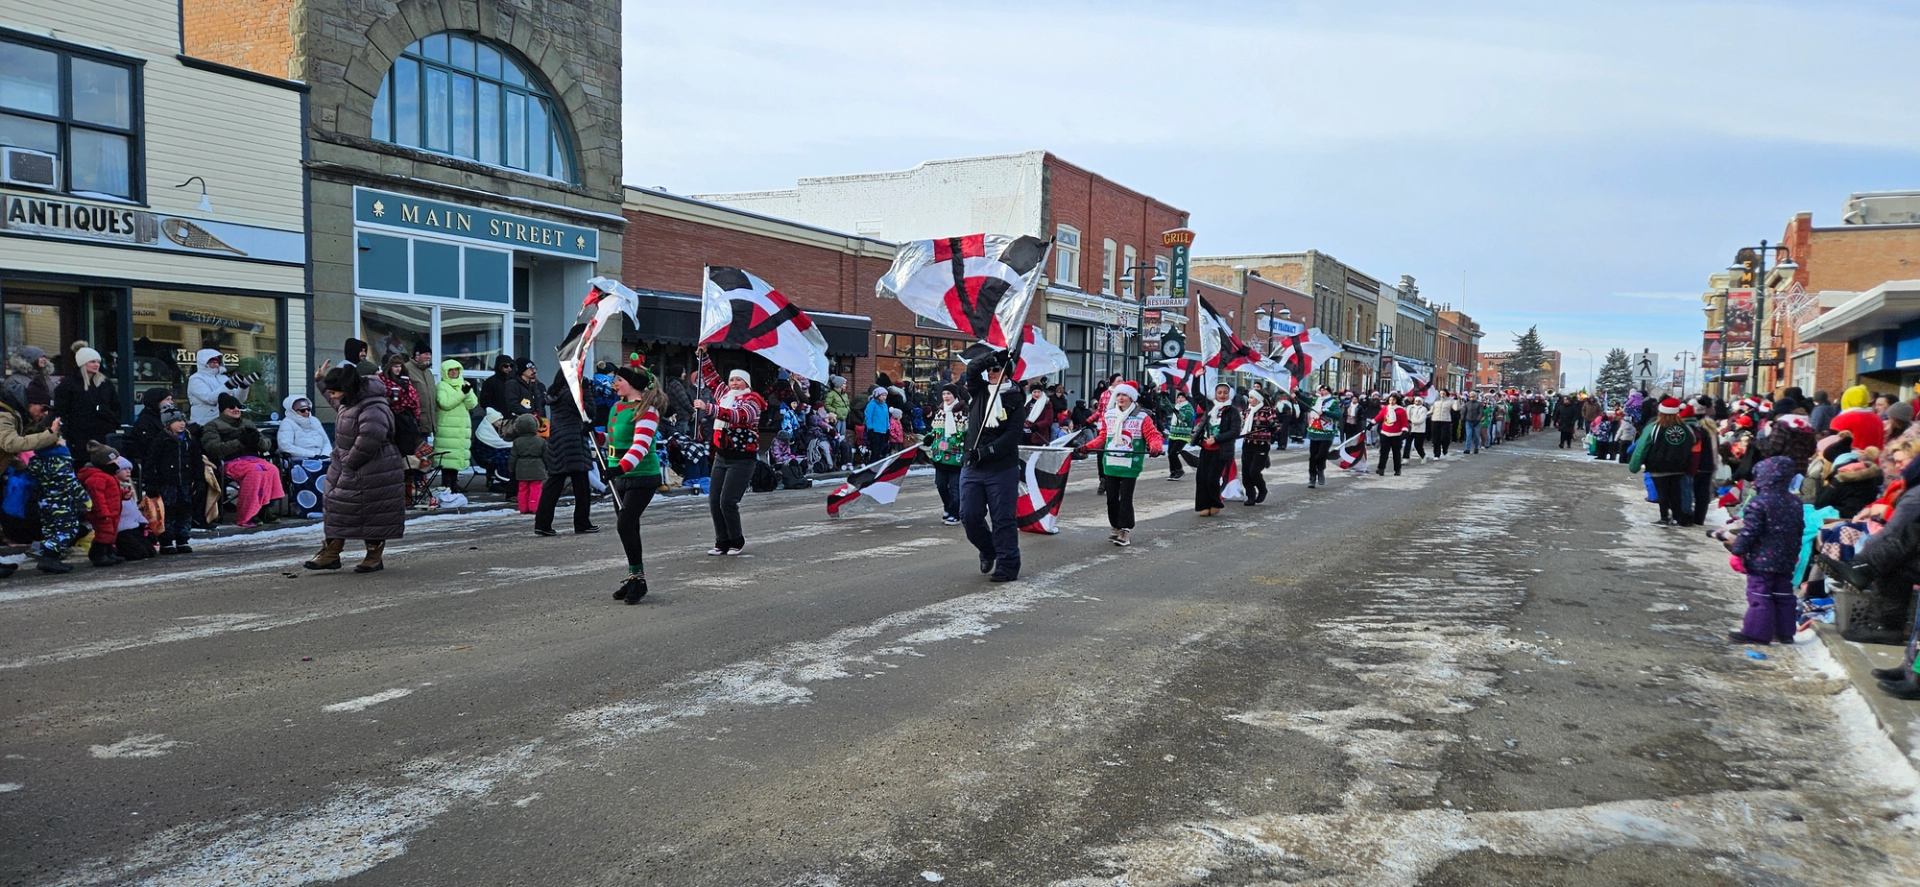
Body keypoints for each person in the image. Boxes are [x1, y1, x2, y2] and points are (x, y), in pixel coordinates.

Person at [305, 365, 405, 572]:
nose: (332, 396)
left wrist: (349, 463)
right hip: (348, 464)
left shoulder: (373, 407)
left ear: (347, 388)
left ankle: (373, 556)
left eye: (335, 391)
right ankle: (331, 552)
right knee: (336, 508)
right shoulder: (349, 400)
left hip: (375, 467)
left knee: (372, 512)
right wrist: (320, 381)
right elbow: (334, 400)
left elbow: (370, 439)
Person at [1723, 455, 1806, 645]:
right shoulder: (1795, 503)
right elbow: (1798, 529)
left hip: (1762, 558)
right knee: (1783, 594)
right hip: (1786, 557)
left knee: (1760, 594)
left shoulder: (1759, 503)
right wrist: (1794, 553)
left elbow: (1750, 531)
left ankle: (1757, 633)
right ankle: (1784, 632)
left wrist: (1738, 549)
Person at [959, 350, 1025, 580]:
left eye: (996, 369)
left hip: (1001, 469)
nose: (991, 373)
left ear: (1007, 372)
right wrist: (993, 356)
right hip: (973, 467)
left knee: (1003, 519)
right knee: (969, 516)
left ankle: (1008, 566)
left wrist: (986, 452)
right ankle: (988, 549)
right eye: (990, 370)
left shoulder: (1016, 398)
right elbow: (972, 369)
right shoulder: (979, 391)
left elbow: (1012, 436)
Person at [694, 346, 764, 556]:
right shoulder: (725, 394)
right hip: (722, 455)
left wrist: (709, 408)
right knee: (714, 501)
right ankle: (721, 541)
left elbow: (740, 416)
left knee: (728, 501)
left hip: (742, 458)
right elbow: (712, 378)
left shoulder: (753, 400)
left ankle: (736, 540)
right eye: (732, 379)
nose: (734, 383)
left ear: (747, 383)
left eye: (739, 380)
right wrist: (703, 356)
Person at [606, 362, 666, 603]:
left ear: (633, 384)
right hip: (618, 475)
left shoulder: (648, 410)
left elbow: (639, 446)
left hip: (641, 476)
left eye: (619, 380)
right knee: (627, 528)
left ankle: (638, 579)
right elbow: (614, 438)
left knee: (625, 523)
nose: (614, 384)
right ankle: (634, 578)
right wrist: (593, 431)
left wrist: (621, 467)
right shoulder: (617, 407)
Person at [1079, 380, 1164, 547]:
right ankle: (1116, 526)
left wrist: (1155, 447)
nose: (1121, 397)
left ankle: (1125, 529)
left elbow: (1153, 435)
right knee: (1111, 499)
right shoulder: (1109, 415)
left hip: (1130, 465)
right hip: (1110, 463)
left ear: (1132, 398)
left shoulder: (1142, 417)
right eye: (1118, 394)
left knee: (1125, 498)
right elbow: (1103, 437)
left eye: (1124, 394)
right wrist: (1087, 447)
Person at [535, 369, 602, 537]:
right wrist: (586, 390)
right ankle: (582, 522)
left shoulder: (555, 391)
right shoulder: (573, 393)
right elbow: (589, 411)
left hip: (558, 440)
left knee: (554, 483)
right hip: (574, 440)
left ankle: (542, 523)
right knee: (581, 487)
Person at [141, 406, 200, 555]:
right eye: (177, 421)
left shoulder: (189, 440)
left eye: (183, 420)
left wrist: (198, 478)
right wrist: (151, 483)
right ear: (167, 424)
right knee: (166, 511)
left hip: (185, 481)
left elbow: (197, 461)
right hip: (166, 483)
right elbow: (151, 463)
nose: (181, 423)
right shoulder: (161, 440)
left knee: (185, 509)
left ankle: (183, 538)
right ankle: (166, 540)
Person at [1629, 397, 1694, 526]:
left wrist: (1634, 465)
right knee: (1675, 492)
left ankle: (1664, 517)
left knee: (1662, 492)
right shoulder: (1686, 429)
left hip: (1657, 467)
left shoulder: (1654, 427)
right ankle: (1676, 516)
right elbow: (1692, 445)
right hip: (1678, 468)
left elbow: (1642, 447)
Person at [54, 342, 118, 449]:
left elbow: (115, 407)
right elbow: (61, 411)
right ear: (82, 363)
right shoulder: (68, 384)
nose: (96, 364)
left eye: (98, 362)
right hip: (78, 437)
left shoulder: (105, 383)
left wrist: (111, 421)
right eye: (92, 361)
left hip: (103, 435)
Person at [224, 426, 284, 528]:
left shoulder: (248, 424)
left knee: (272, 469)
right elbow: (212, 447)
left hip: (253, 459)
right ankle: (249, 513)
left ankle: (265, 508)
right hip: (232, 461)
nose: (236, 409)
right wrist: (239, 442)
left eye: (239, 408)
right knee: (255, 472)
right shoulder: (214, 425)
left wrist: (258, 441)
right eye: (231, 408)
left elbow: (266, 446)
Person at [1194, 383, 1241, 516]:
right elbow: (1196, 395)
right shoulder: (1210, 407)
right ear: (1215, 394)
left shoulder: (1233, 411)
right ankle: (1203, 505)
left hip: (1221, 450)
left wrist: (1217, 438)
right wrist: (1197, 377)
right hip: (1206, 448)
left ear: (1229, 394)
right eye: (1219, 392)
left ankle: (1215, 503)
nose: (1222, 395)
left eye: (1225, 392)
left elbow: (1235, 431)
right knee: (1201, 478)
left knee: (1212, 479)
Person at [433, 360, 480, 491]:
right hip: (447, 427)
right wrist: (462, 393)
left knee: (457, 456)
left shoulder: (462, 384)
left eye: (456, 370)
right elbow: (445, 403)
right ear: (445, 372)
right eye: (451, 370)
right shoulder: (442, 386)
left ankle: (454, 483)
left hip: (461, 426)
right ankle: (447, 484)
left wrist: (468, 392)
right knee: (448, 457)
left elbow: (472, 404)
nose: (454, 372)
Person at [77, 442, 125, 567]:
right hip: (103, 513)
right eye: (113, 461)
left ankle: (108, 552)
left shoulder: (108, 475)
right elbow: (97, 498)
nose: (116, 463)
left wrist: (123, 494)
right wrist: (103, 512)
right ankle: (99, 554)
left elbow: (113, 492)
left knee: (110, 533)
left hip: (112, 511)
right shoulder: (97, 477)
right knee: (104, 533)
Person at [926, 383, 967, 525]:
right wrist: (930, 436)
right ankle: (948, 507)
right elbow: (936, 429)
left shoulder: (963, 412)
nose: (946, 397)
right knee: (941, 485)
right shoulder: (940, 411)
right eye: (944, 394)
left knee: (955, 488)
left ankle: (955, 513)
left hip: (956, 456)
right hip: (940, 456)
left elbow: (967, 433)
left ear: (955, 395)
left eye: (949, 394)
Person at [187, 349, 249, 426]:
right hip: (204, 422)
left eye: (218, 361)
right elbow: (210, 399)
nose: (216, 364)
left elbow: (237, 400)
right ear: (203, 362)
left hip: (226, 422)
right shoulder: (196, 379)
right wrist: (228, 385)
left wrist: (244, 387)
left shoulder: (223, 378)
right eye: (212, 361)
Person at [1241, 388, 1276, 505]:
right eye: (1249, 397)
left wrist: (1273, 427)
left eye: (1252, 397)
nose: (1249, 400)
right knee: (1246, 473)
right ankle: (1250, 496)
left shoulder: (1267, 410)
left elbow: (1275, 425)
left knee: (1254, 472)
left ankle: (1262, 489)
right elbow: (1241, 426)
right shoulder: (1247, 411)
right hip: (1247, 444)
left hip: (1261, 445)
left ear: (1258, 399)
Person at [508, 412, 547, 515]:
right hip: (537, 467)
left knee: (522, 489)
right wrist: (548, 467)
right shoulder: (541, 441)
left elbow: (513, 457)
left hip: (521, 468)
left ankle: (523, 508)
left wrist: (511, 468)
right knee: (536, 488)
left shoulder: (517, 441)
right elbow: (546, 456)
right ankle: (534, 507)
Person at [1305, 385, 1339, 488]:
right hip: (1314, 431)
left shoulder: (1333, 402)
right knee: (1312, 456)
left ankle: (1320, 470)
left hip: (1326, 432)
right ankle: (1312, 476)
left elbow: (1338, 415)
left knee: (1321, 454)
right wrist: (1296, 393)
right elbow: (1305, 400)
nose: (1322, 391)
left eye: (1324, 390)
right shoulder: (1315, 400)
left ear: (1328, 391)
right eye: (1321, 390)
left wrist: (1325, 412)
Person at [4, 345, 55, 410]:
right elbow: (21, 403)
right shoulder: (14, 380)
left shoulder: (45, 378)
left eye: (44, 357)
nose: (44, 359)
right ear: (28, 360)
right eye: (40, 357)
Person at [1374, 393, 1408, 477]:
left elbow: (1404, 422)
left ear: (1397, 401)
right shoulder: (1385, 408)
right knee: (1383, 452)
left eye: (1393, 400)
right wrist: (1372, 422)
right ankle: (1381, 469)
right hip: (1385, 433)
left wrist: (1404, 430)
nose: (1391, 401)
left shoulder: (1401, 410)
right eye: (1390, 400)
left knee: (1396, 453)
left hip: (1396, 435)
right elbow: (1379, 417)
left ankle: (1397, 469)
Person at [1164, 390, 1194, 481]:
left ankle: (1179, 470)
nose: (1180, 399)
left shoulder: (1188, 408)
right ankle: (1173, 472)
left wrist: (1177, 412)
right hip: (1173, 434)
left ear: (1185, 399)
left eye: (1182, 397)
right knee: (1170, 453)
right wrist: (1163, 397)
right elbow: (1166, 407)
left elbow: (1186, 418)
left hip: (1183, 435)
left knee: (1174, 452)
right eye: (1178, 397)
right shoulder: (1176, 406)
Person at [862, 386, 892, 461]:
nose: (884, 397)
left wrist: (888, 428)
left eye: (885, 395)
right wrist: (870, 428)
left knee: (882, 448)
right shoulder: (872, 404)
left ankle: (878, 462)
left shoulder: (885, 405)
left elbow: (887, 417)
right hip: (875, 430)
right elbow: (868, 416)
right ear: (877, 395)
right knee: (875, 449)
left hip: (883, 430)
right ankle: (873, 462)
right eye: (882, 395)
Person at [1429, 390, 1454, 459]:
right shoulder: (1436, 402)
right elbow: (1431, 411)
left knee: (1445, 437)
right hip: (1435, 420)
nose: (1442, 395)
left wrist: (1457, 400)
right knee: (1435, 438)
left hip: (1446, 421)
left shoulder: (1450, 401)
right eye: (1441, 393)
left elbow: (1456, 408)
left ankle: (1445, 448)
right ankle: (1436, 454)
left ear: (1446, 394)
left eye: (1443, 393)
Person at [1406, 394, 1431, 463]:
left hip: (1420, 430)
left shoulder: (1423, 409)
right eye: (1416, 401)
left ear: (1421, 402)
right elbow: (1407, 415)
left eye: (1419, 401)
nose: (1417, 402)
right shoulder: (1410, 407)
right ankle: (1405, 458)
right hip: (1411, 429)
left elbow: (1421, 419)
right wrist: (1408, 421)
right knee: (1407, 444)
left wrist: (1412, 421)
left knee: (1418, 445)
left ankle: (1423, 456)